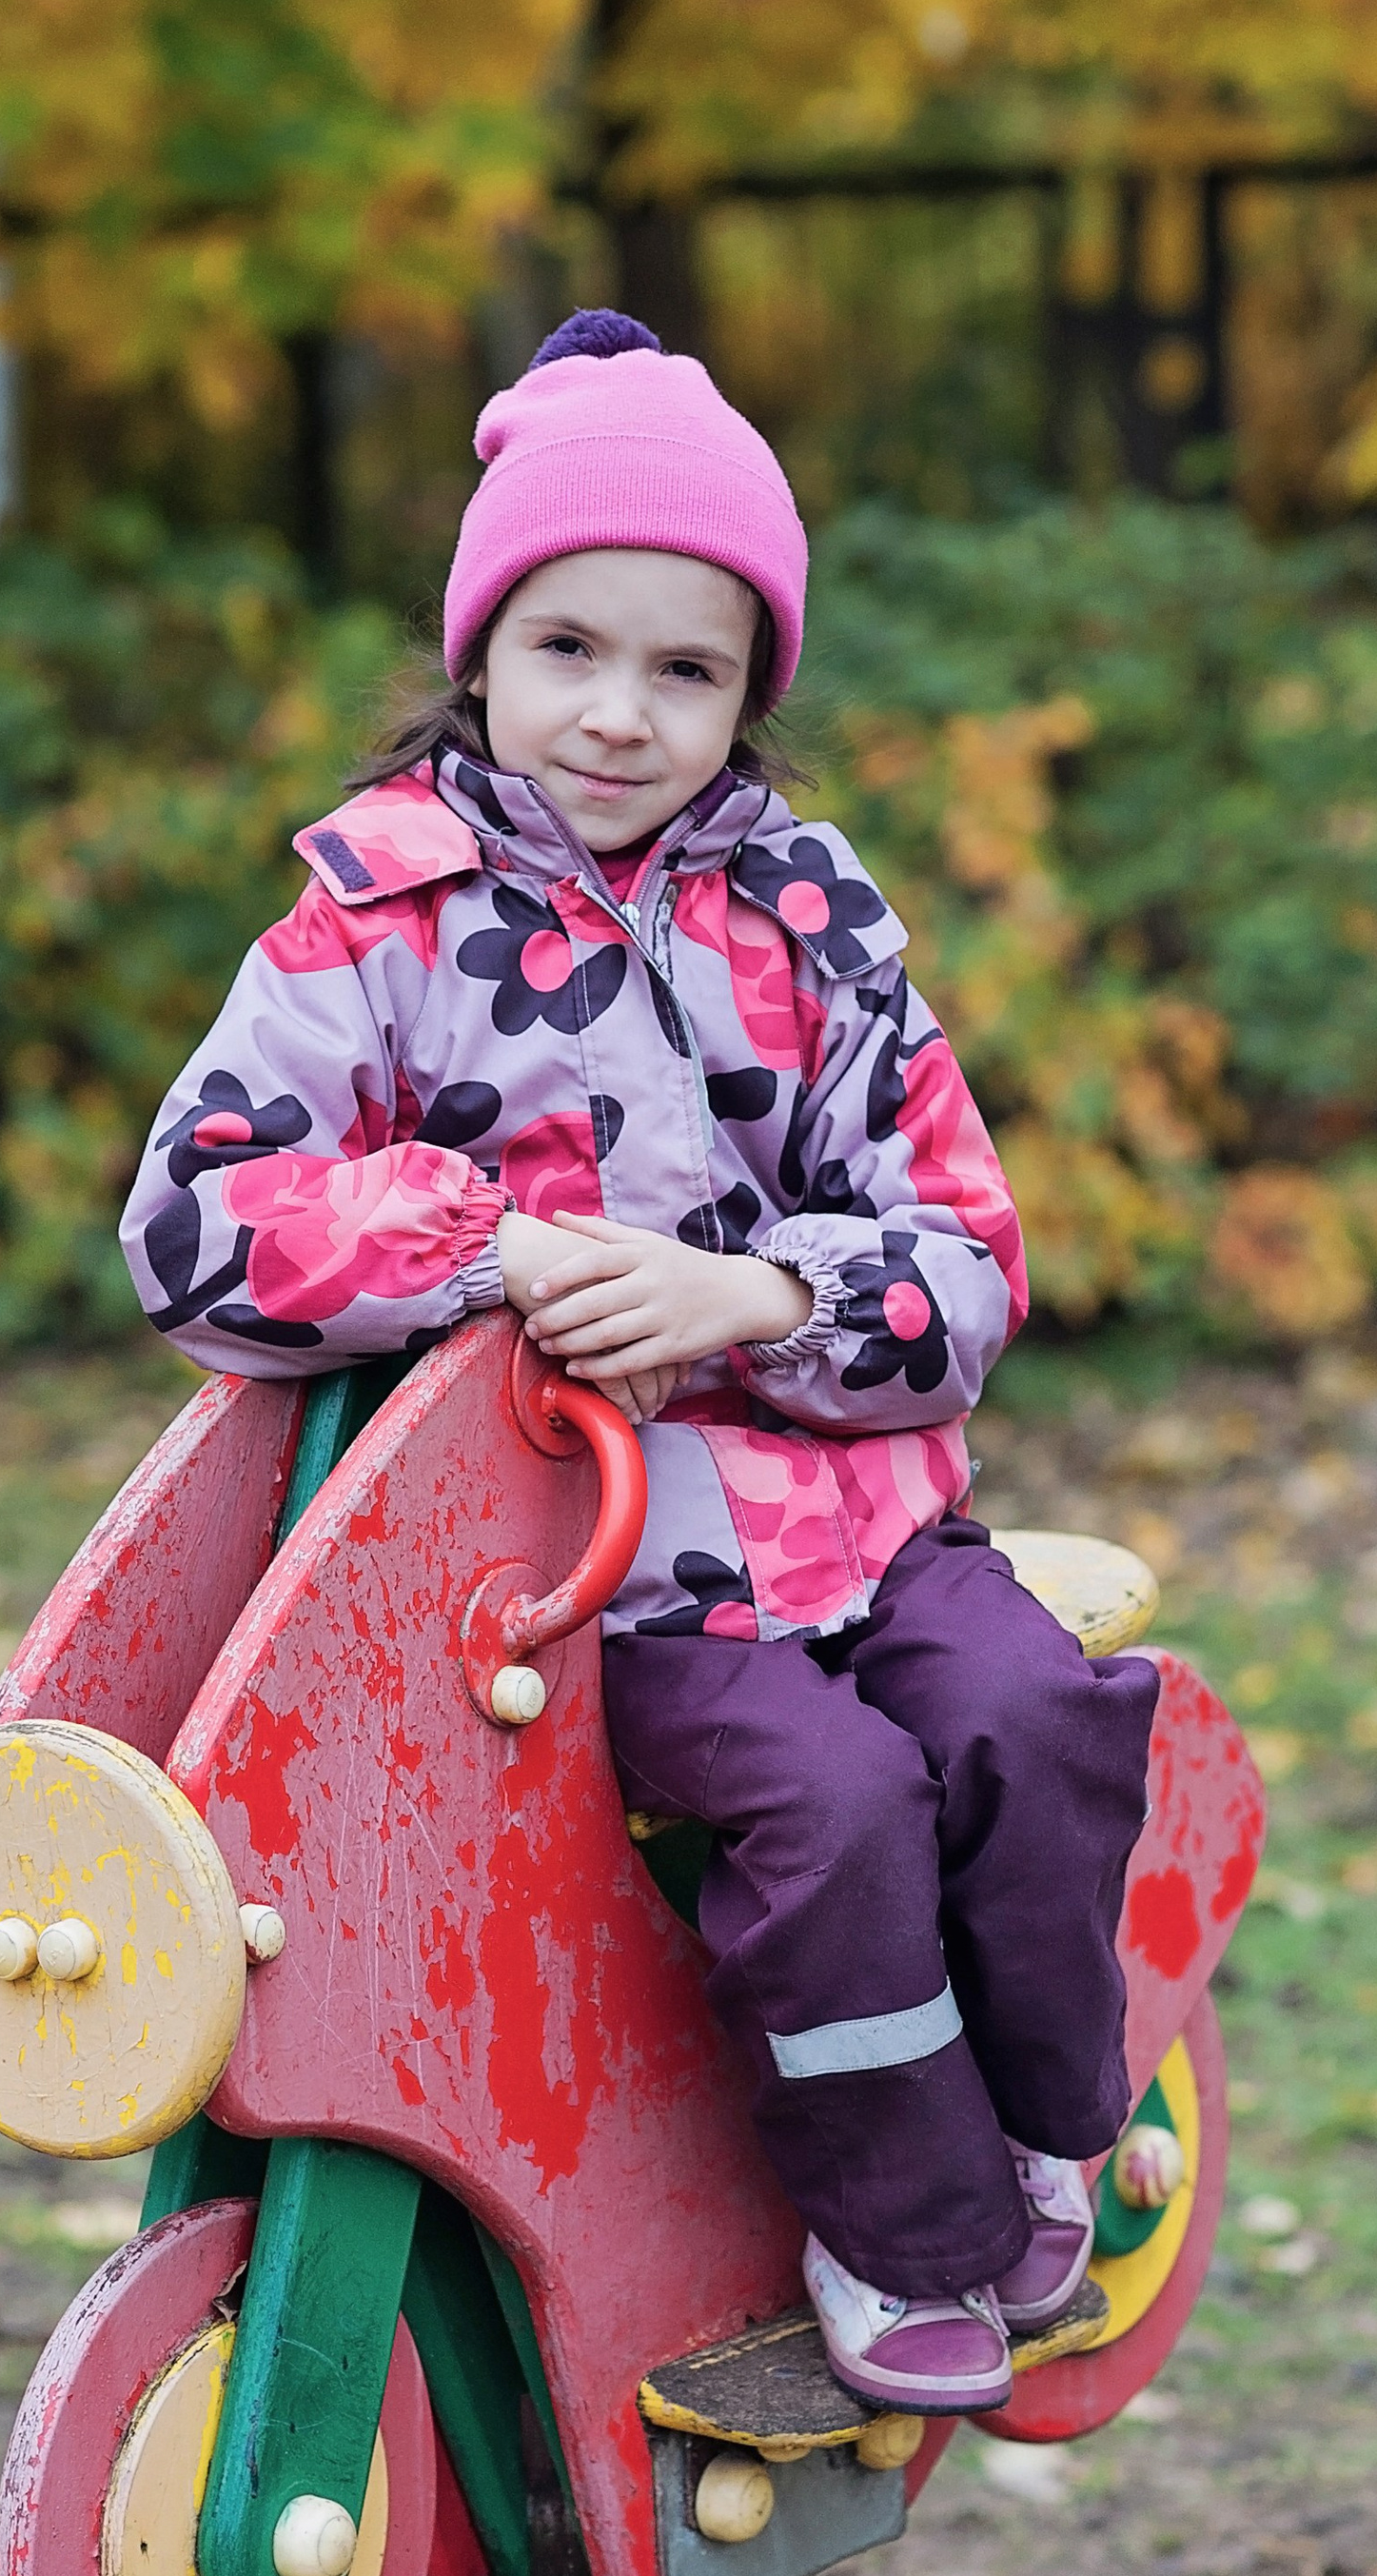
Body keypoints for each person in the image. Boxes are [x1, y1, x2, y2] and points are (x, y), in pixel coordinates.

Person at [120, 310, 1160, 2415]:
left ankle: (1052, 2119)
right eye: (568, 647)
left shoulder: (809, 910)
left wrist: (762, 1301)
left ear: (747, 692)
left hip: (865, 1514)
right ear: (481, 649)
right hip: (607, 1580)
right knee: (836, 1802)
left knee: (1029, 1720)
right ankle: (911, 2232)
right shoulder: (375, 923)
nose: (618, 713)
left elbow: (962, 1239)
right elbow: (194, 1223)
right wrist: (492, 1248)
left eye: (686, 668)